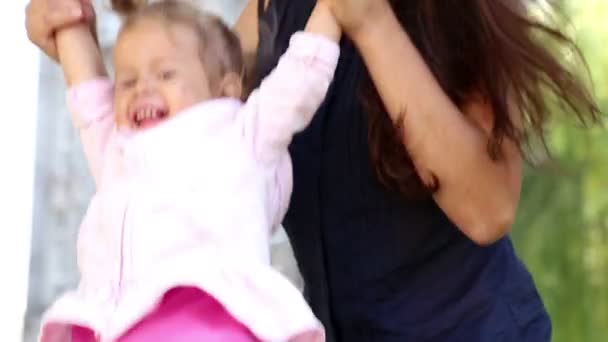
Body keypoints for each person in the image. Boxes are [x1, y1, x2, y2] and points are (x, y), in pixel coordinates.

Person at [25, 0, 601, 341]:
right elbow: (188, 98)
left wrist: (371, 22)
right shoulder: (275, 11)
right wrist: (74, 44)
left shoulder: (450, 13)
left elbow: (488, 210)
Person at [34, 0, 341, 341]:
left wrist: (331, 10)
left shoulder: (244, 133)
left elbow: (299, 79)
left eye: (165, 74)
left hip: (208, 315)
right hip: (117, 323)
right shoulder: (117, 150)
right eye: (127, 80)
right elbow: (88, 94)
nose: (142, 88)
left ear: (225, 88)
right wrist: (68, 23)